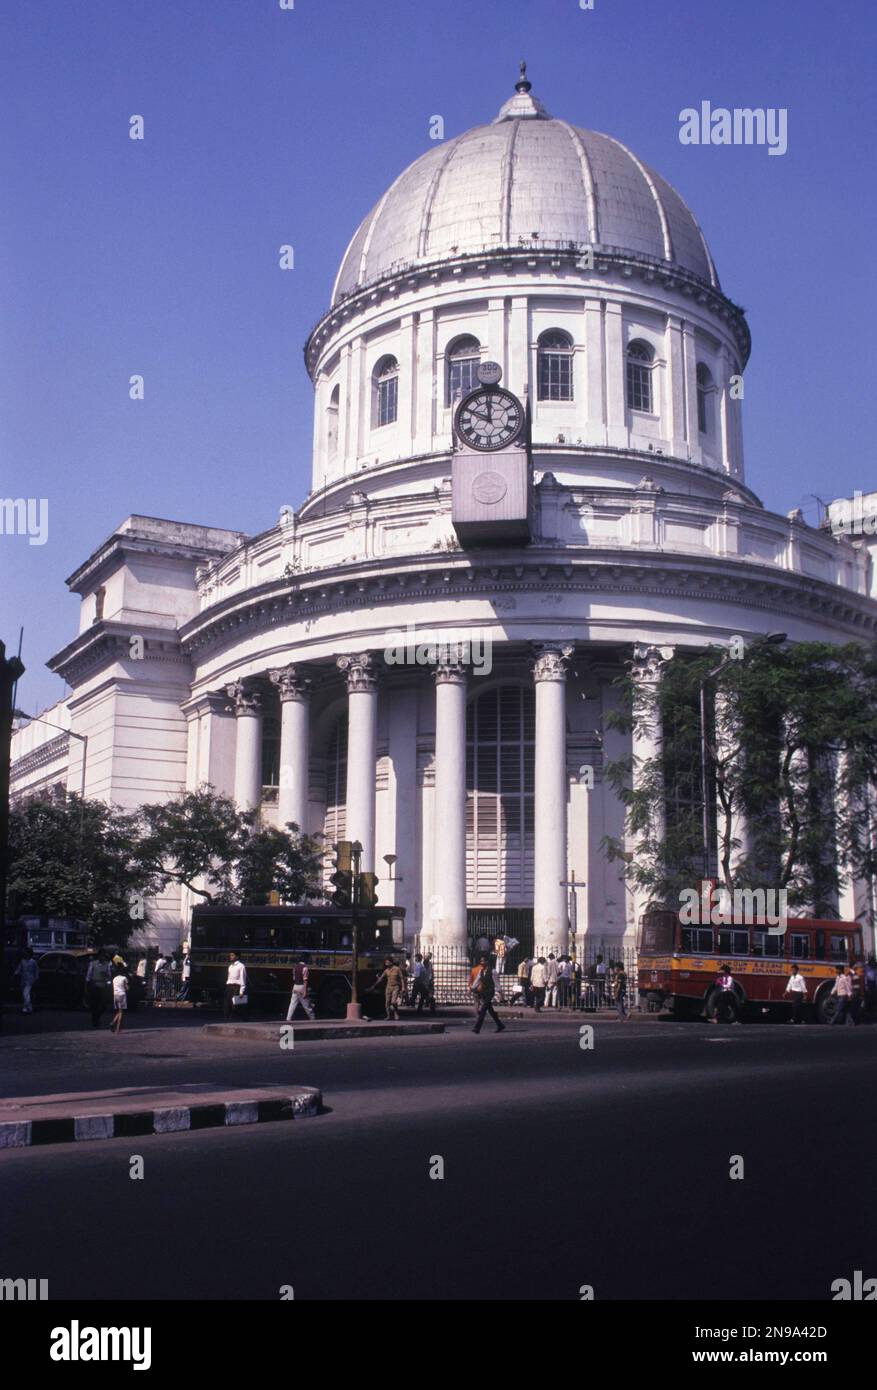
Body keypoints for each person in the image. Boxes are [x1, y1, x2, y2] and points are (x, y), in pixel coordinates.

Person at [470, 953, 506, 1034]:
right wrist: (472, 988)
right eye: (481, 961)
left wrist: (500, 992)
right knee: (491, 1011)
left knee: (483, 1010)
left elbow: (497, 983)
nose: (481, 962)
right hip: (483, 992)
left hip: (490, 992)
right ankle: (500, 1025)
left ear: (487, 962)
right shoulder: (481, 971)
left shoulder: (493, 971)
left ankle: (477, 1027)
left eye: (483, 961)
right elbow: (477, 981)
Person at [85, 950, 112, 1028]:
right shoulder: (93, 964)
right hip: (94, 986)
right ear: (98, 956)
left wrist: (106, 975)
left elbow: (109, 975)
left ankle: (97, 1017)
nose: (103, 958)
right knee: (94, 1004)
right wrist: (87, 985)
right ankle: (95, 1020)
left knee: (103, 1005)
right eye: (101, 956)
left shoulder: (107, 964)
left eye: (104, 956)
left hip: (103, 986)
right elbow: (88, 975)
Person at [224, 952, 248, 1020]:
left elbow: (243, 979)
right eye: (230, 955)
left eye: (232, 955)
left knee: (236, 1005)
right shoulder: (230, 966)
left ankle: (243, 1018)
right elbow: (229, 978)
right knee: (227, 1005)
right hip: (229, 987)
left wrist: (241, 991)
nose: (230, 957)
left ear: (237, 957)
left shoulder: (241, 966)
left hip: (236, 987)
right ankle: (227, 1019)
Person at [14, 948, 39, 1014]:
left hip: (30, 980)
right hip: (23, 979)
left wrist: (36, 979)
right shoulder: (22, 961)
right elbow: (19, 969)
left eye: (26, 952)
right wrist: (16, 973)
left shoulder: (33, 962)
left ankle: (26, 1008)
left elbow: (36, 971)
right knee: (25, 994)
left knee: (26, 994)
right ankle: (28, 1008)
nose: (24, 953)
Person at [110, 964, 129, 1034]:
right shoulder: (124, 978)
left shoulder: (114, 978)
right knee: (121, 1012)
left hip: (115, 994)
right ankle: (117, 1028)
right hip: (122, 994)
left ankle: (113, 1022)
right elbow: (127, 988)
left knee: (119, 1011)